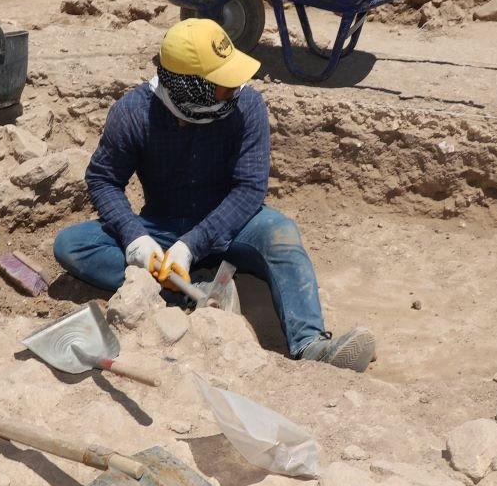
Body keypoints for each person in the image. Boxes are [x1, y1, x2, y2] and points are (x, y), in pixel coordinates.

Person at [53, 19, 378, 371]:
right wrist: (136, 240)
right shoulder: (133, 113)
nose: (236, 87)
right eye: (223, 84)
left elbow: (250, 188)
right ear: (190, 87)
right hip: (161, 226)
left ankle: (311, 344)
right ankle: (192, 287)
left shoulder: (247, 107)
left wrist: (193, 245)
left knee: (280, 234)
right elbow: (103, 179)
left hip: (233, 223)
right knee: (72, 245)